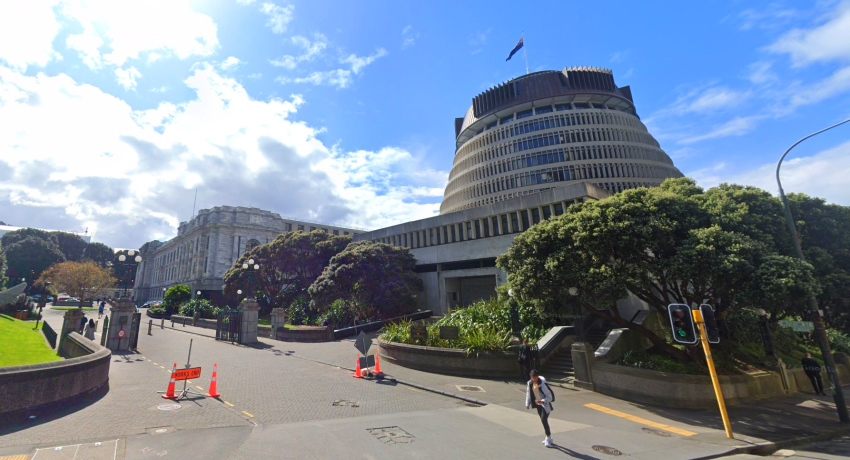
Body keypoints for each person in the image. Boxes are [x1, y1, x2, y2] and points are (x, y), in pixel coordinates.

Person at [525, 369, 555, 447]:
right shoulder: (530, 383)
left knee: (543, 419)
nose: (533, 379)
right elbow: (528, 394)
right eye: (532, 377)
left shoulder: (543, 385)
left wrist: (542, 401)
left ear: (537, 377)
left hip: (545, 405)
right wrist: (527, 403)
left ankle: (548, 437)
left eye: (534, 377)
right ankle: (549, 437)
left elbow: (550, 397)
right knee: (543, 421)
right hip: (538, 405)